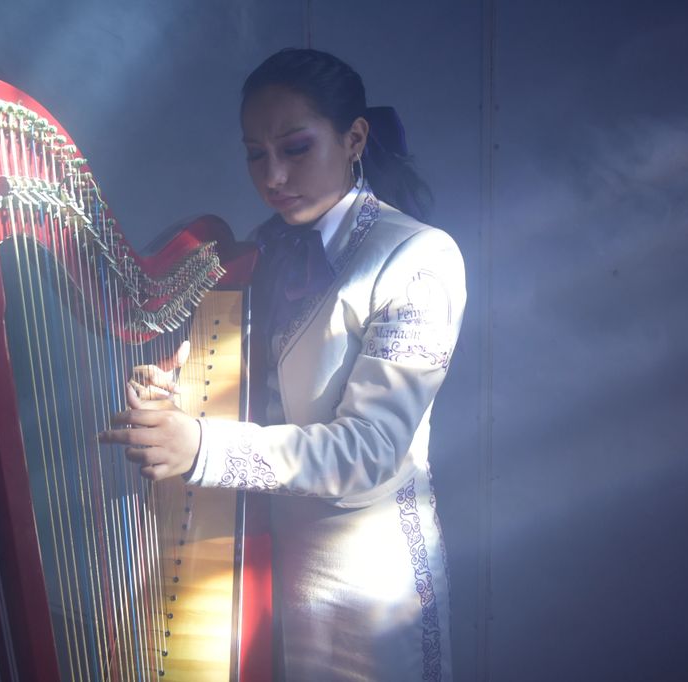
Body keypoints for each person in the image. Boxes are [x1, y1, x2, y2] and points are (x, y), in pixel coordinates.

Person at [101, 48, 466, 681]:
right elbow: (246, 397)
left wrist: (202, 449)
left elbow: (371, 451)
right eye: (254, 153)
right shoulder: (264, 246)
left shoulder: (420, 258)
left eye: (295, 148)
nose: (272, 175)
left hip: (364, 576)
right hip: (258, 545)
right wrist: (170, 396)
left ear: (354, 138)